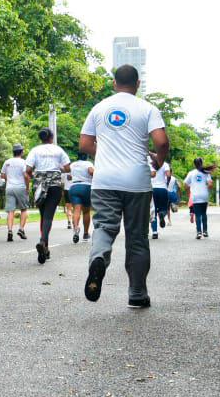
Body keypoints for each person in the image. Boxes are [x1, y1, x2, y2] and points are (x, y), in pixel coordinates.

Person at [80, 64, 168, 308]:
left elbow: (86, 143)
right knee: (137, 238)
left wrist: (105, 151)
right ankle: (137, 294)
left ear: (114, 83)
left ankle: (98, 260)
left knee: (105, 227)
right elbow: (161, 142)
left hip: (104, 181)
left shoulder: (99, 108)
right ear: (138, 84)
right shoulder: (147, 108)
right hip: (137, 183)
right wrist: (158, 162)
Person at [24, 128, 71, 264]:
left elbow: (28, 170)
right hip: (54, 186)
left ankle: (45, 247)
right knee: (49, 216)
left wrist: (36, 177)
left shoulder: (35, 150)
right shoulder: (58, 150)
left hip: (39, 186)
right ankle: (43, 242)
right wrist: (59, 168)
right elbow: (68, 168)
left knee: (44, 216)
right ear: (51, 137)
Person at [0, 144, 30, 242]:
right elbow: (26, 176)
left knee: (10, 211)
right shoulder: (24, 162)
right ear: (21, 152)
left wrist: (10, 180)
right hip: (21, 187)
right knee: (24, 209)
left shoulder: (7, 162)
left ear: (13, 152)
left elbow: (2, 175)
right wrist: (27, 187)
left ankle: (9, 231)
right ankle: (21, 229)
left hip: (9, 188)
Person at [67, 152, 95, 243]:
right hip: (86, 187)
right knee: (86, 211)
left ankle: (76, 228)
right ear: (86, 156)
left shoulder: (73, 164)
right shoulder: (88, 163)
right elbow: (91, 172)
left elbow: (69, 177)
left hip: (74, 187)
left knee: (76, 210)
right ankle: (86, 233)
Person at [184, 157, 214, 239]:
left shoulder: (191, 173)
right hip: (204, 195)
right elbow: (210, 185)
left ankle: (199, 233)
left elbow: (185, 184)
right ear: (202, 163)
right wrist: (208, 186)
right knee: (204, 213)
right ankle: (205, 231)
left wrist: (189, 192)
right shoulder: (206, 173)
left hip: (195, 196)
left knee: (197, 215)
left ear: (194, 164)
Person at [148, 155, 172, 239]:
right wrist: (167, 183)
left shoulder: (150, 164)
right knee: (164, 208)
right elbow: (168, 175)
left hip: (152, 189)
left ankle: (155, 232)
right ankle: (162, 214)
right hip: (163, 189)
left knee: (152, 211)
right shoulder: (165, 164)